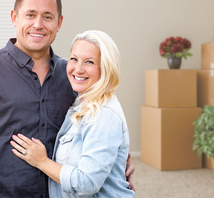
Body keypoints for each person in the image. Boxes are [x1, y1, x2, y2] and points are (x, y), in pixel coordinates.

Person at [0, 0, 134, 198]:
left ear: (59, 22)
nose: (38, 24)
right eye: (30, 14)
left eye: (47, 16)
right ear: (14, 18)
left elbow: (97, 130)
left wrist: (118, 163)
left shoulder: (73, 75)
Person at [11, 30, 135, 197]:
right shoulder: (81, 102)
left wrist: (42, 161)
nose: (78, 69)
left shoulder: (103, 114)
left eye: (89, 62)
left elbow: (87, 183)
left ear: (106, 67)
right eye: (74, 59)